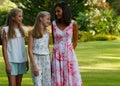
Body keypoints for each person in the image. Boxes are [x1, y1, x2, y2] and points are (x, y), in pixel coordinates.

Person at [51, 1, 83, 86]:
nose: (56, 13)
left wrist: (69, 51)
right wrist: (56, 51)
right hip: (56, 54)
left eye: (58, 11)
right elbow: (54, 40)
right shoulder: (53, 24)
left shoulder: (73, 24)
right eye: (55, 11)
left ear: (64, 11)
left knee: (70, 75)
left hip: (69, 54)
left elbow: (75, 41)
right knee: (56, 74)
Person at [2, 8, 29, 86]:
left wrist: (27, 61)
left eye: (22, 16)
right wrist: (7, 64)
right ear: (13, 17)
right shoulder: (6, 30)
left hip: (22, 60)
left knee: (18, 84)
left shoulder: (23, 29)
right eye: (19, 16)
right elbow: (4, 48)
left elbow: (23, 47)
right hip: (11, 61)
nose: (22, 18)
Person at [28, 11, 51, 86]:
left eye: (49, 19)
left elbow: (47, 48)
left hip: (46, 59)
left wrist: (50, 62)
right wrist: (34, 66)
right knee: (37, 83)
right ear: (41, 19)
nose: (49, 21)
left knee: (47, 83)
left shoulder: (47, 33)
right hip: (36, 59)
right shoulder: (32, 32)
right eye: (47, 19)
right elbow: (30, 50)